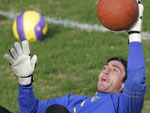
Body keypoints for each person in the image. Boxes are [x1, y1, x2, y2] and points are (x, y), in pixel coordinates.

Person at [4, 0, 146, 113]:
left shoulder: (124, 105)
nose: (106, 70)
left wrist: (134, 34)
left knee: (57, 111)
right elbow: (31, 110)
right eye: (105, 67)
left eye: (115, 70)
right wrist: (25, 82)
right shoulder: (72, 101)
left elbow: (136, 80)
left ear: (123, 85)